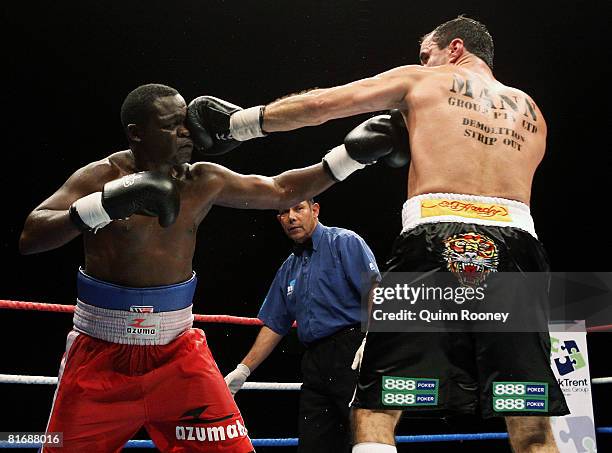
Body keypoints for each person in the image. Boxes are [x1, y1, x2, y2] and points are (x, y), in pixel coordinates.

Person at [187, 15, 569, 453]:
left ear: (456, 48)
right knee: (530, 420)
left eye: (427, 55)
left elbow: (323, 104)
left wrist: (241, 124)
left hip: (435, 238)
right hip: (518, 251)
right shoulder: (532, 111)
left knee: (376, 408)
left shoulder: (423, 81)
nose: (423, 62)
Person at [18, 84, 407, 452]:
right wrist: (101, 206)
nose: (187, 131)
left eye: (186, 120)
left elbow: (279, 191)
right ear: (137, 133)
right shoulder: (100, 178)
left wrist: (351, 156)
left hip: (177, 357)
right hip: (99, 357)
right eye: (172, 125)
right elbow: (31, 235)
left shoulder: (202, 180)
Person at [224, 199, 380, 453]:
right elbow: (275, 324)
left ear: (315, 210)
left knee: (365, 438)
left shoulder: (344, 242)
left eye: (298, 209)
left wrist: (375, 340)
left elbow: (375, 291)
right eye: (284, 212)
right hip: (314, 363)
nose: (292, 217)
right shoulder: (289, 267)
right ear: (279, 220)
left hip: (353, 353)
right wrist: (243, 369)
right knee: (314, 444)